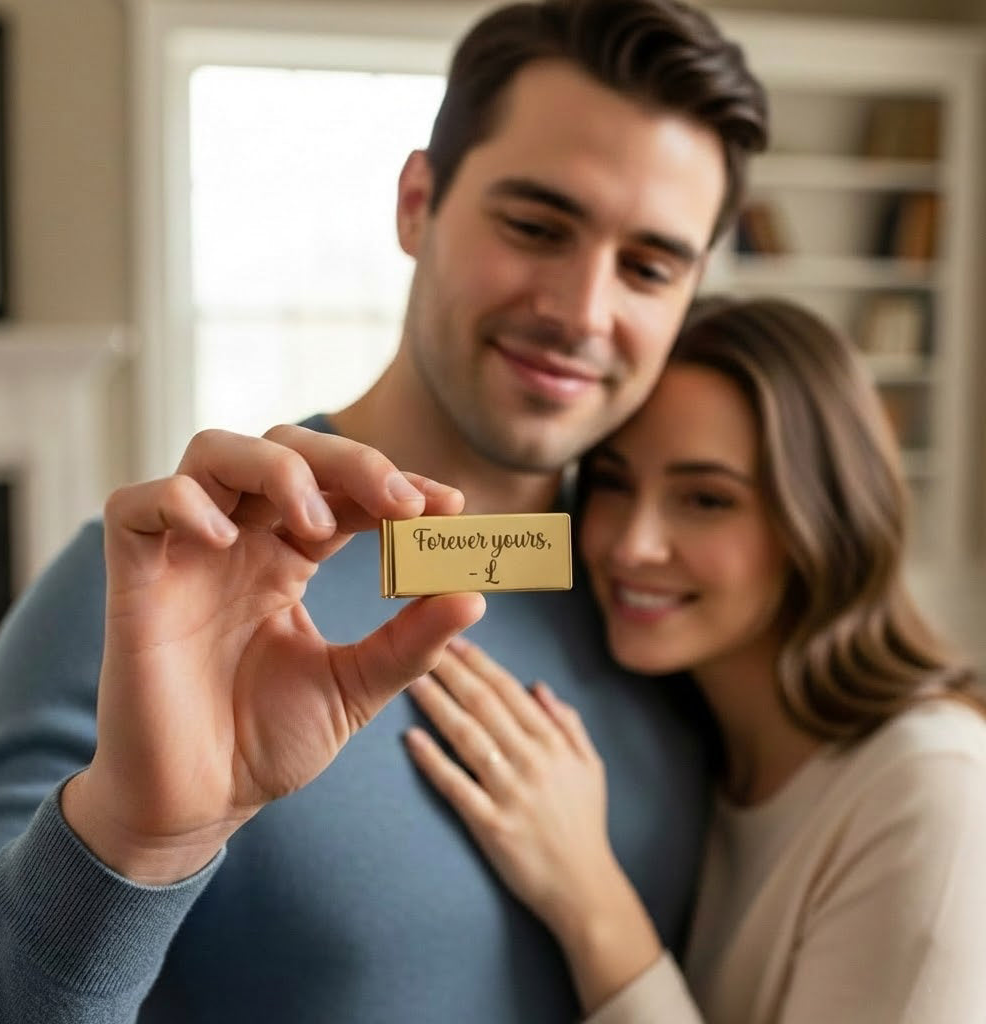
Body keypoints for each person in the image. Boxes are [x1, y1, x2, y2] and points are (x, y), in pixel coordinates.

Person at [0, 2, 769, 1022]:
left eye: (648, 266)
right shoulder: (155, 603)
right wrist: (135, 841)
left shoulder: (662, 610)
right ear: (417, 203)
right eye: (534, 226)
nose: (581, 311)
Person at [403, 296, 986, 1024]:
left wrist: (591, 901)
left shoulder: (933, 789)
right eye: (613, 482)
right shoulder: (688, 733)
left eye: (707, 500)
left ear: (823, 521)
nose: (631, 546)